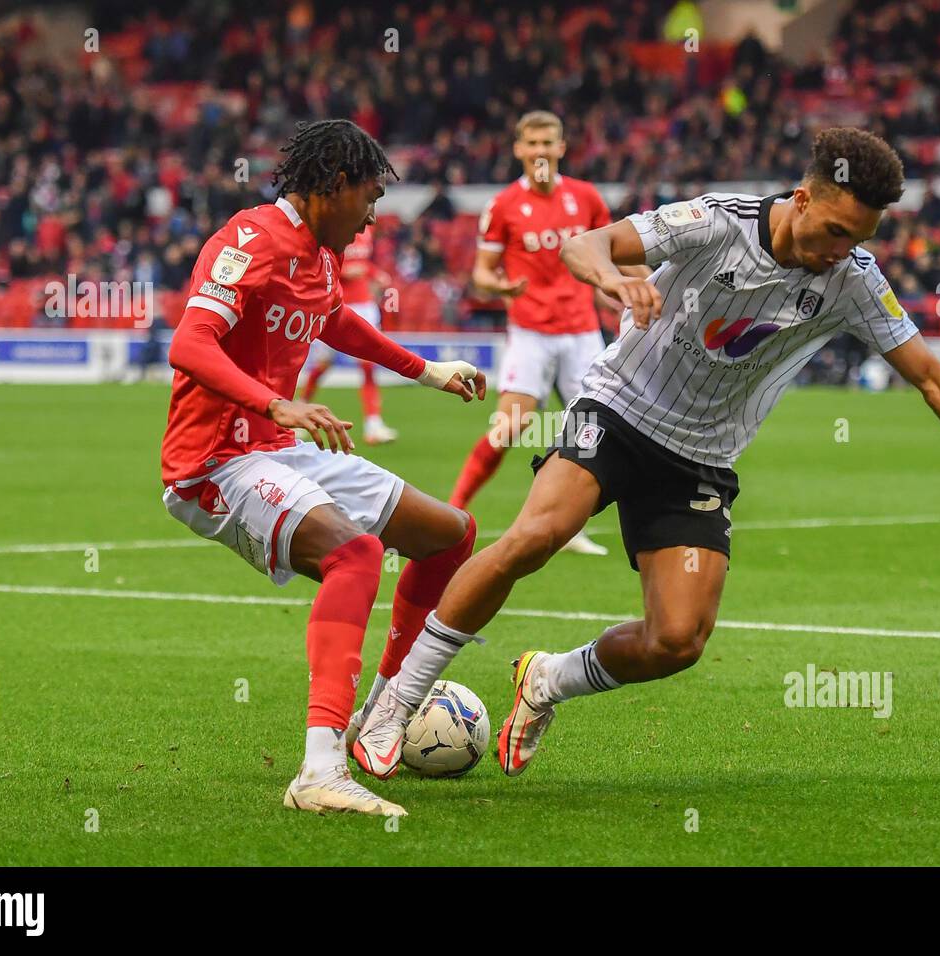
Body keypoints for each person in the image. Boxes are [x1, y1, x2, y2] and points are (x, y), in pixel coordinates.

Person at [351, 128, 940, 781]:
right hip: (619, 408)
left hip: (700, 457)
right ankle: (395, 703)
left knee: (678, 640)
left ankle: (547, 680)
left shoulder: (853, 278)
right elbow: (584, 244)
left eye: (858, 237)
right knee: (537, 536)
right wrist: (614, 278)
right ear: (803, 197)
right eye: (834, 229)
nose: (838, 249)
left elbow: (933, 374)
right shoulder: (715, 222)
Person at [159, 120, 487, 816]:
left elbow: (336, 323)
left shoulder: (320, 254)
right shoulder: (249, 240)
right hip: (214, 461)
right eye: (367, 199)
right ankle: (318, 770)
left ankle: (385, 709)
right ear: (329, 188)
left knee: (450, 534)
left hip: (276, 448)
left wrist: (427, 371)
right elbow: (189, 344)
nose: (372, 218)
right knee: (356, 556)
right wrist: (276, 403)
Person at [448, 110, 650, 556]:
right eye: (532, 144)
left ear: (562, 147)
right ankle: (451, 514)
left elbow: (615, 255)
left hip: (581, 332)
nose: (540, 152)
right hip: (531, 332)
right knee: (510, 426)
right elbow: (481, 275)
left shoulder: (586, 198)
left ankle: (568, 525)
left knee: (593, 431)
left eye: (548, 143)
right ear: (519, 149)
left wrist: (654, 283)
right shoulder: (502, 206)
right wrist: (500, 285)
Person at [298, 224, 399, 444]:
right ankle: (299, 409)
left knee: (368, 365)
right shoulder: (334, 228)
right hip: (338, 306)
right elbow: (322, 264)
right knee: (323, 365)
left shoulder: (366, 231)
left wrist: (375, 273)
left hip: (365, 306)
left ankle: (373, 424)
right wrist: (345, 272)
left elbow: (363, 265)